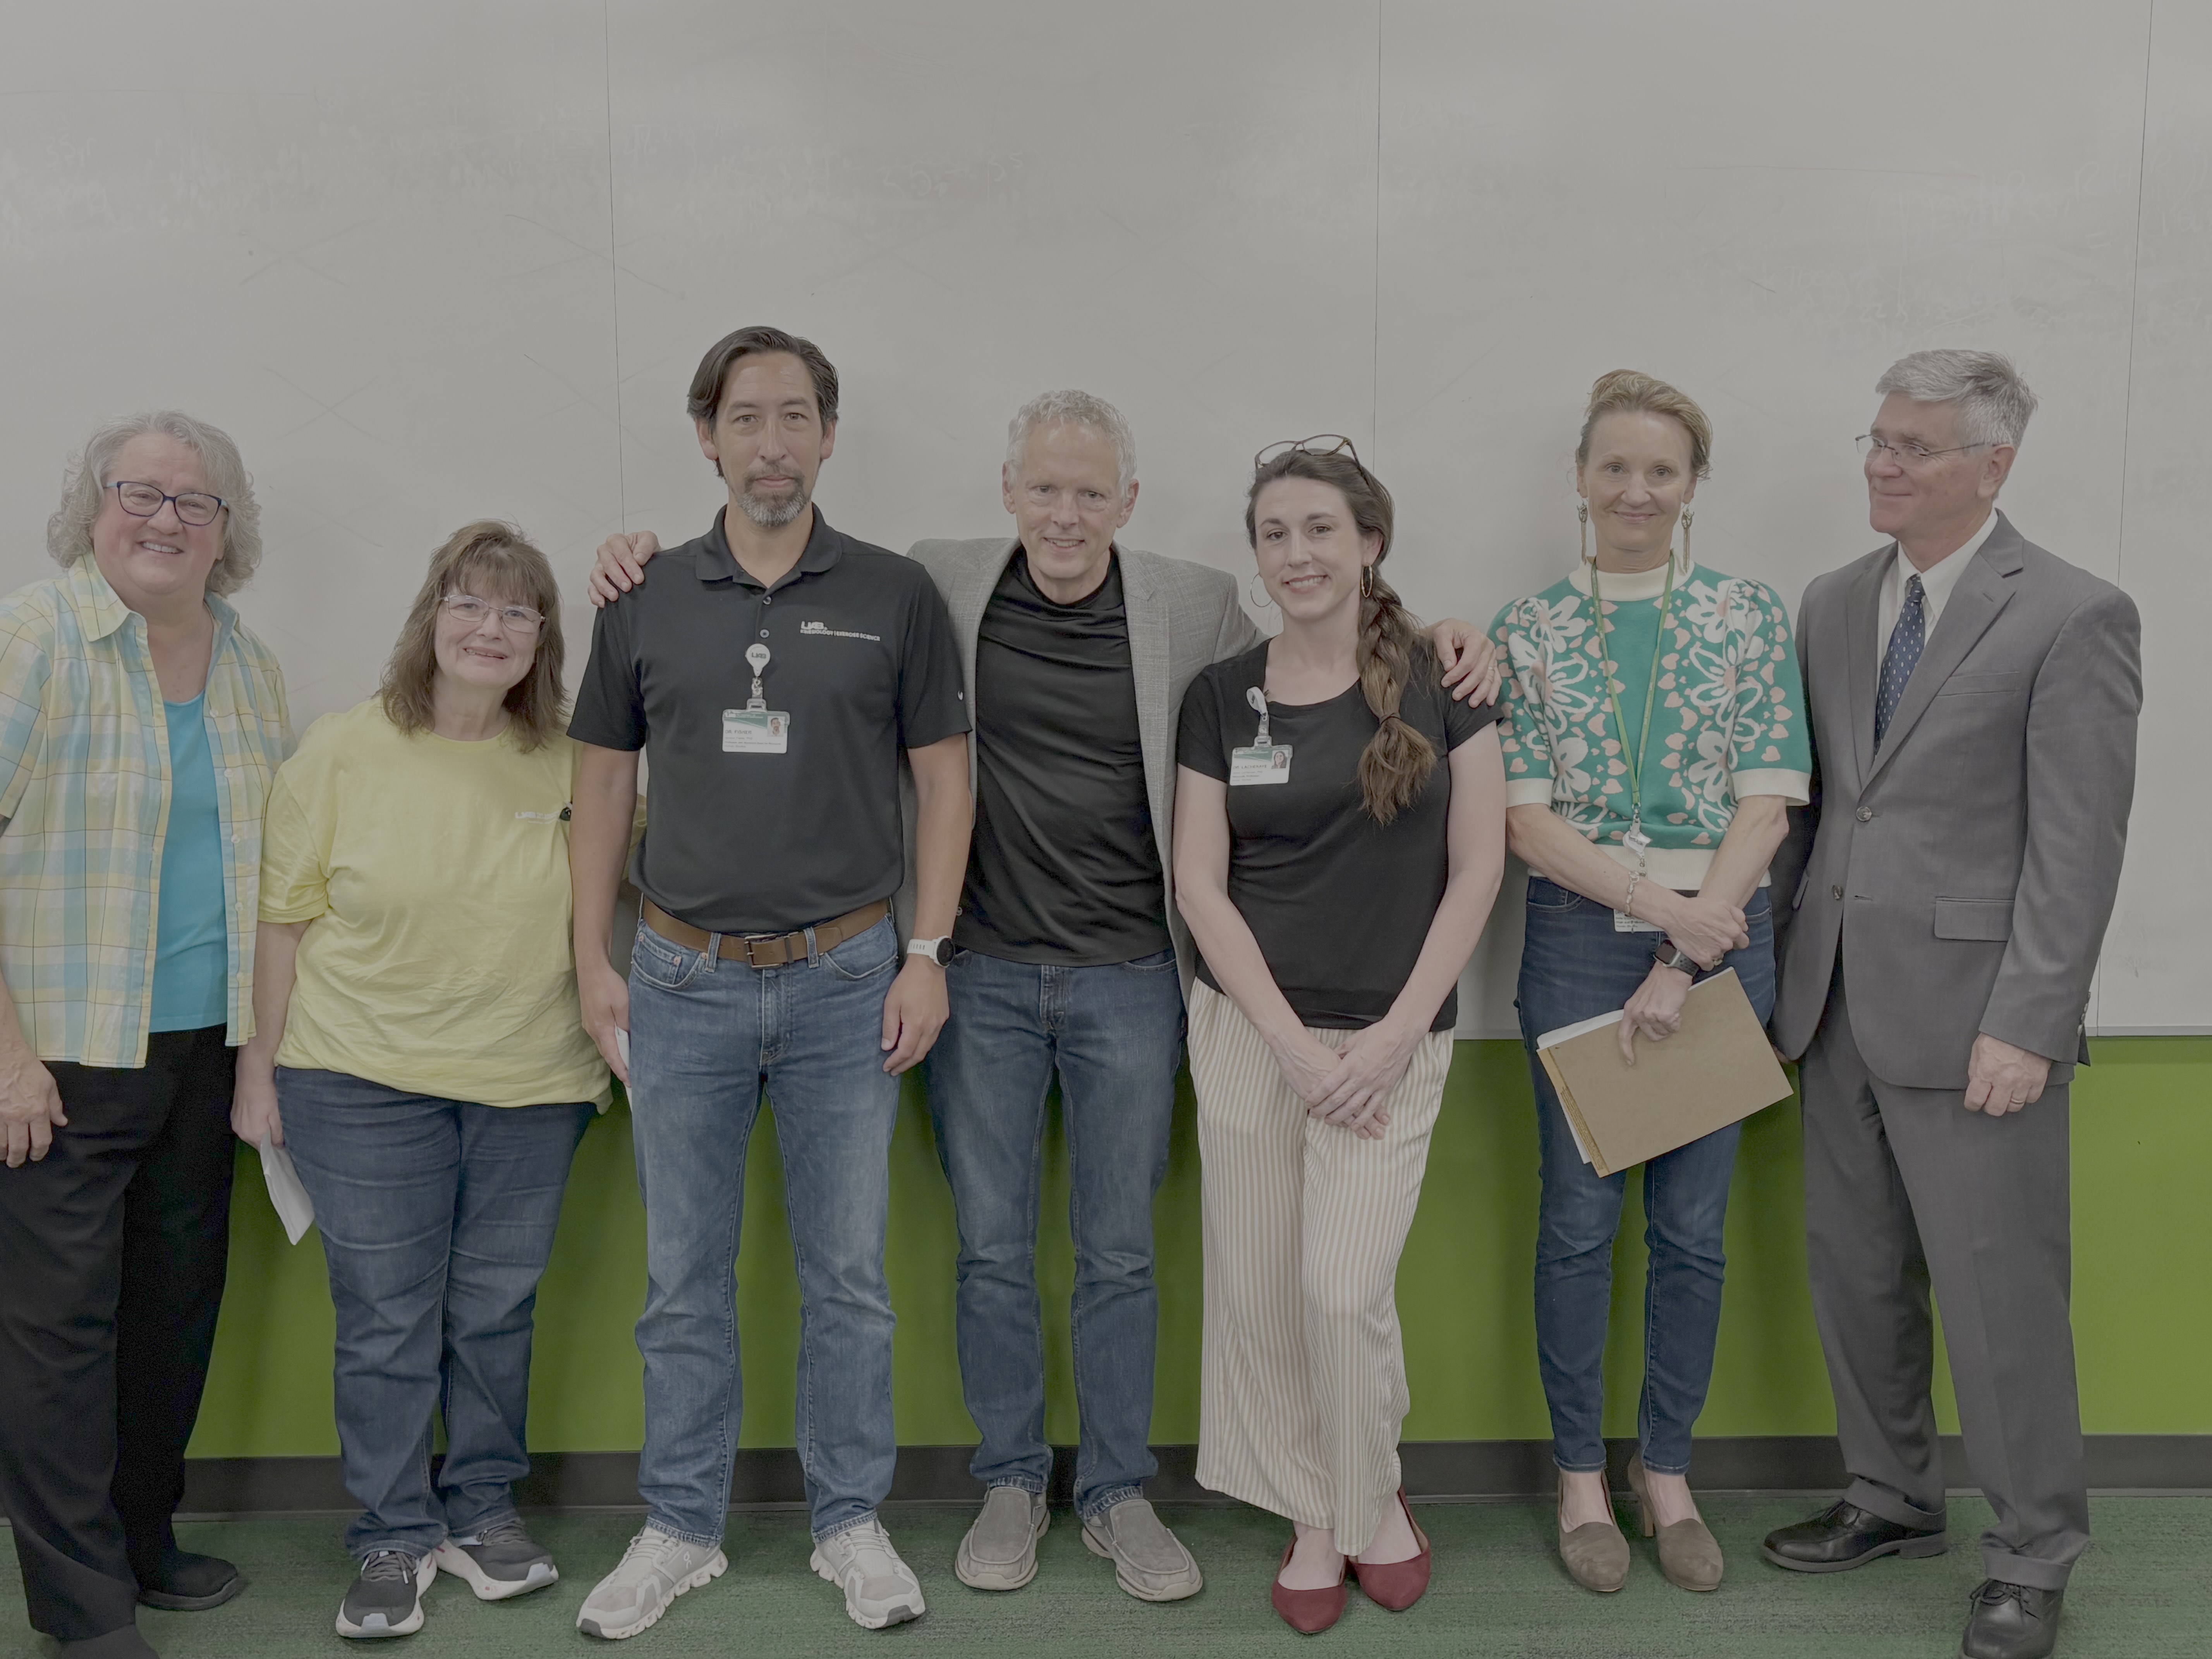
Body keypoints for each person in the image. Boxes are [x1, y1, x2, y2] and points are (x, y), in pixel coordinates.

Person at [587, 395, 1499, 1603]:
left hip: (1133, 977)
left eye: (1091, 493)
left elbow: (1327, 623)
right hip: (979, 975)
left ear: (1129, 501)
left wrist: (1448, 629)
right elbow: (785, 583)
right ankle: (1013, 1478)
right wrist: (634, 554)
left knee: (1121, 1253)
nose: (1065, 515)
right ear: (1008, 493)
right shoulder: (935, 584)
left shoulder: (1193, 603)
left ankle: (1120, 1488)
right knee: (993, 1250)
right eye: (1043, 490)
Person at [566, 326, 973, 1637]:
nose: (772, 442)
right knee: (683, 1277)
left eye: (796, 416)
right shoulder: (643, 591)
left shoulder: (898, 592)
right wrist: (592, 960)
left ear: (830, 436)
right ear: (707, 437)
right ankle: (680, 1526)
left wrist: (926, 950)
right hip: (678, 976)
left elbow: (944, 779)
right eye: (746, 418)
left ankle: (849, 1521)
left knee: (847, 1274)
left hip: (851, 975)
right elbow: (601, 785)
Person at [1763, 352, 2140, 1659]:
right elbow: (1817, 811)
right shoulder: (1830, 603)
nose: (1882, 462)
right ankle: (1890, 1497)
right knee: (1857, 1274)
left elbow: (2077, 846)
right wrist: (1771, 986)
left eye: (1914, 447)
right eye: (1877, 438)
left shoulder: (2076, 614)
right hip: (1835, 1006)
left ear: (1995, 464)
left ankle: (2035, 1552)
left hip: (1983, 1020)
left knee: (2000, 1296)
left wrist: (2032, 1020)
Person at [230, 523, 620, 1640]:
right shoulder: (343, 749)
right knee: (388, 1320)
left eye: (518, 612)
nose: (491, 629)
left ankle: (483, 1512)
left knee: (495, 1311)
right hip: (356, 1080)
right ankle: (393, 1534)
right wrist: (258, 1068)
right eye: (470, 604)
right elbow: (282, 918)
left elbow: (654, 863)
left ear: (543, 638)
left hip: (534, 1081)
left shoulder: (575, 759)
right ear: (429, 617)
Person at [1172, 440, 1506, 1634]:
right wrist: (1294, 1047)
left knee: (1341, 1284)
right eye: (1274, 532)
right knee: (1261, 1291)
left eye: (1321, 528)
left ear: (1370, 541)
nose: (1296, 553)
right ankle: (1320, 1510)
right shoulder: (1220, 696)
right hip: (1249, 1033)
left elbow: (1479, 868)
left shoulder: (1446, 682)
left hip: (1394, 1040)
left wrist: (1391, 1037)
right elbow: (1202, 888)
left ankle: (1378, 1496)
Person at [1489, 371, 1810, 1595]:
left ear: (1692, 488)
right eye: (1614, 467)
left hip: (1725, 941)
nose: (1636, 490)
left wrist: (1687, 946)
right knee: (1577, 1227)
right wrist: (1658, 914)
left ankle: (1665, 1472)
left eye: (1662, 471)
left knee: (1692, 1232)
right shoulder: (1527, 626)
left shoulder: (1745, 613)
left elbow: (1768, 799)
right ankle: (1580, 1476)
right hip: (1580, 938)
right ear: (1580, 478)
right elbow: (1523, 821)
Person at [0, 412, 290, 1659]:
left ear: (228, 532)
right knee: (59, 1332)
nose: (167, 518)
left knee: (174, 1305)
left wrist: (262, 1058)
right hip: (60, 1052)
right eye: (143, 492)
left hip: (202, 1049)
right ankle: (82, 1607)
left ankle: (143, 1535)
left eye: (197, 501)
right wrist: (5, 1055)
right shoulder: (37, 636)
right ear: (93, 504)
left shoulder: (248, 661)